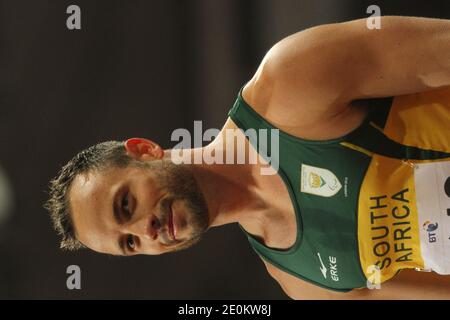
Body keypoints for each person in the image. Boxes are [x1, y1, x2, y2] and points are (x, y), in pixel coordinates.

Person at [45, 16, 450, 299]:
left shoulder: (288, 83)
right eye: (130, 243)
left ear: (144, 151)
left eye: (126, 204)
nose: (145, 230)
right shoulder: (306, 283)